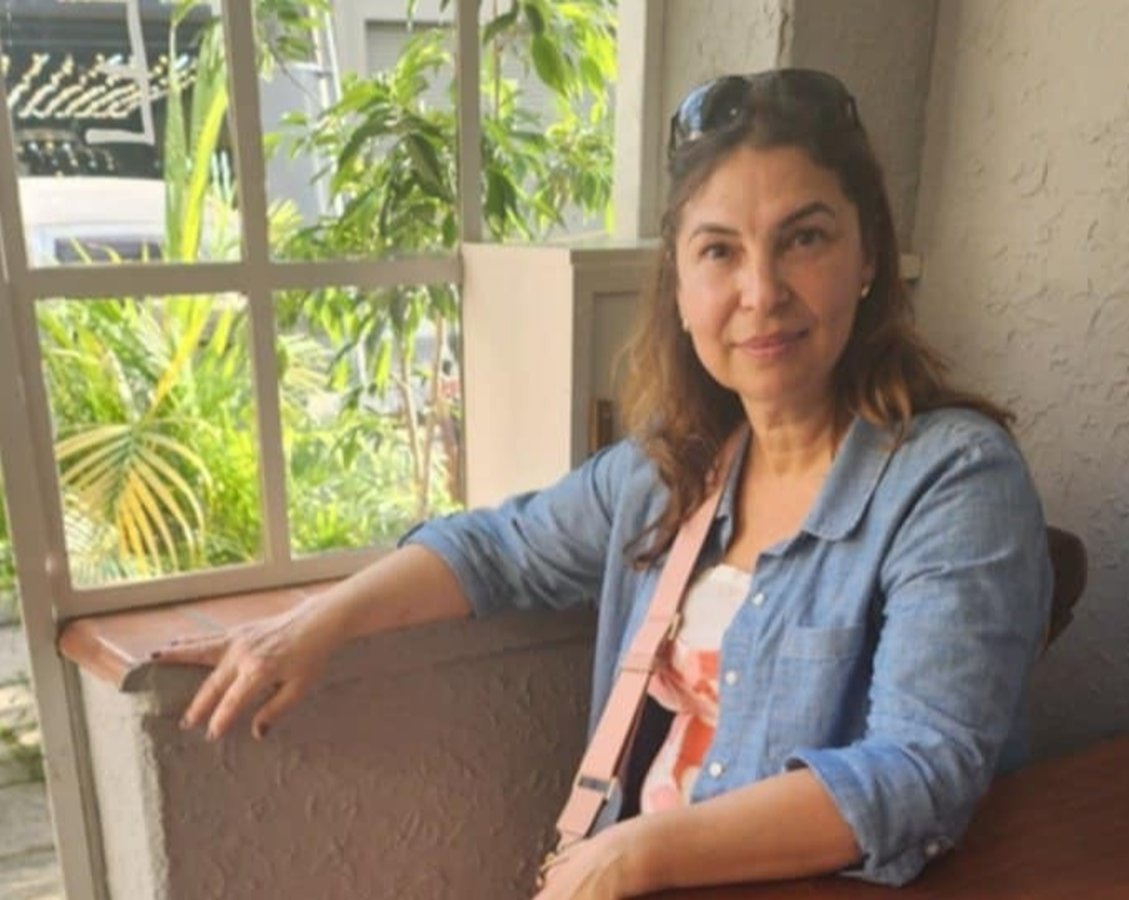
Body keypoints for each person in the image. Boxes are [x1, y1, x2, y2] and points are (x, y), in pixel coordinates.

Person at [155, 69, 1051, 898]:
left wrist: (633, 852)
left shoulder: (952, 482)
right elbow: (499, 549)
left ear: (868, 258)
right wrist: (316, 625)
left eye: (804, 239)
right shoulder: (674, 469)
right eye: (719, 251)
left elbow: (920, 770)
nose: (761, 290)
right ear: (681, 286)